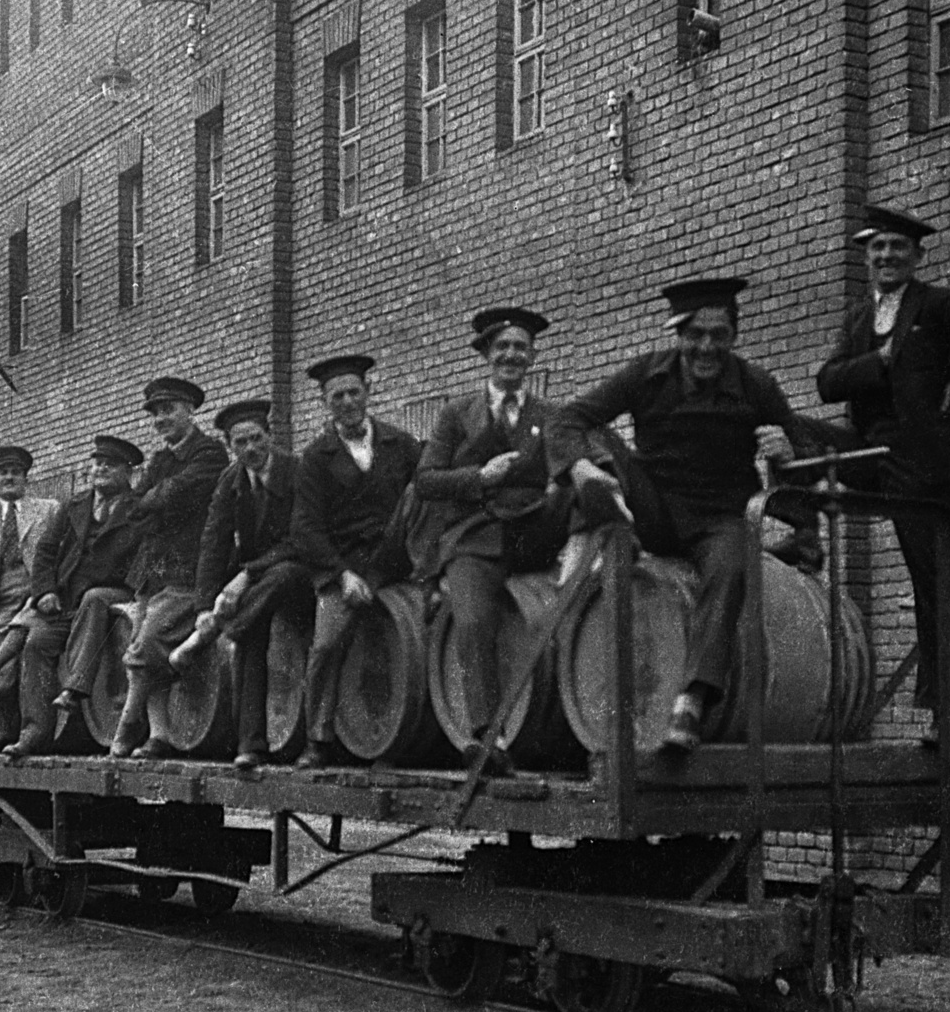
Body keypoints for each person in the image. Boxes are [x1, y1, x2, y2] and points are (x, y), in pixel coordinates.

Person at [548, 277, 803, 756]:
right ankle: (606, 518)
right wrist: (581, 468)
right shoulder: (646, 374)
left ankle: (692, 699)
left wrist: (788, 452)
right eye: (695, 335)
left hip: (721, 515)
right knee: (599, 438)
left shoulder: (756, 385)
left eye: (719, 335)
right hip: (655, 508)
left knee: (730, 571)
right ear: (678, 333)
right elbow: (568, 419)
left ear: (734, 335)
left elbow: (802, 452)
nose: (706, 347)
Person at [818, 204, 950, 742]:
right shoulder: (857, 318)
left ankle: (944, 715)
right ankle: (798, 529)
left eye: (898, 248)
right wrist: (881, 364)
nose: (887, 256)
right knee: (795, 429)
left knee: (934, 587)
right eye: (878, 248)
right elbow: (828, 382)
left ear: (916, 257)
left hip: (926, 465)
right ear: (866, 256)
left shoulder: (938, 306)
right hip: (871, 457)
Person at [415, 306, 569, 777]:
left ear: (533, 355)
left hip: (533, 533)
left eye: (520, 347)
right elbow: (426, 480)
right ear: (486, 354)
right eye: (502, 347)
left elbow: (566, 461)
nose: (512, 355)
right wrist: (479, 476)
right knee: (474, 620)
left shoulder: (550, 414)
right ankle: (485, 735)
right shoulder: (457, 414)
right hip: (475, 536)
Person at [291, 355, 423, 769]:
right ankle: (318, 738)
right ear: (324, 403)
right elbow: (305, 527)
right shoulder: (315, 458)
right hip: (344, 567)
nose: (347, 402)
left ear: (368, 393)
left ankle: (419, 737)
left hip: (395, 563)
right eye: (337, 396)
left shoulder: (400, 445)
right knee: (327, 645)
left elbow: (426, 503)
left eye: (353, 392)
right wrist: (340, 574)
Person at [173, 399, 312, 774]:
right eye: (240, 443)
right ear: (230, 447)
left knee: (279, 578)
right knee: (251, 633)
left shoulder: (297, 471)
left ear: (270, 435)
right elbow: (213, 541)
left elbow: (302, 537)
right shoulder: (231, 481)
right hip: (258, 589)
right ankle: (251, 744)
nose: (250, 449)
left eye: (256, 439)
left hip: (301, 571)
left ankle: (222, 629)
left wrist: (247, 574)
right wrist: (204, 607)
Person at [108, 378, 229, 759]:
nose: (161, 419)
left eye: (169, 410)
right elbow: (132, 510)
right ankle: (159, 735)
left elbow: (178, 492)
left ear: (190, 411)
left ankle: (127, 725)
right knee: (140, 647)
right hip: (151, 572)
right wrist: (154, 503)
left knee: (145, 648)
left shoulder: (210, 453)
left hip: (189, 569)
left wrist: (153, 501)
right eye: (156, 413)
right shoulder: (160, 460)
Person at [5, 434, 145, 756]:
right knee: (37, 643)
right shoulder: (74, 505)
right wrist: (45, 592)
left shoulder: (138, 508)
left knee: (95, 598)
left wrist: (134, 590)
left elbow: (147, 553)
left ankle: (75, 686)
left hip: (115, 595)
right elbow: (45, 553)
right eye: (96, 464)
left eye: (109, 465)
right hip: (67, 601)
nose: (100, 470)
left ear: (128, 472)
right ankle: (34, 733)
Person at [0, 446, 60, 752]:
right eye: (3, 473)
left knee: (18, 660)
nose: (9, 478)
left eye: (15, 473)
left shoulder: (48, 510)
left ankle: (25, 732)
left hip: (35, 594)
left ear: (25, 478)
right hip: (1, 600)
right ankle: (3, 730)